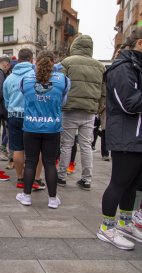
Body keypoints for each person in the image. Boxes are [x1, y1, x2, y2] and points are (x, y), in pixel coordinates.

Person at [97, 29, 142, 250]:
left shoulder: (135, 66)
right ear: (140, 44)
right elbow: (130, 104)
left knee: (132, 185)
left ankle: (125, 224)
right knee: (119, 183)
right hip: (126, 135)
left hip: (136, 135)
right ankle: (106, 228)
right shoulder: (123, 69)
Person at [15, 51, 70, 209]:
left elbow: (25, 96)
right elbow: (63, 102)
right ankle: (53, 200)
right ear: (53, 62)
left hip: (31, 126)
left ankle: (26, 197)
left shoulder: (25, 79)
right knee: (50, 163)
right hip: (52, 127)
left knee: (30, 161)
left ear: (35, 62)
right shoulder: (64, 80)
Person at [57, 35, 105, 191]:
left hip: (70, 110)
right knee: (86, 145)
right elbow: (103, 92)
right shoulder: (100, 66)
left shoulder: (67, 62)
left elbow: (60, 85)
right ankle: (86, 179)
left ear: (75, 46)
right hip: (90, 111)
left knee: (66, 144)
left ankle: (62, 177)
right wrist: (98, 108)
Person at [4, 48, 42, 190]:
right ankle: (36, 180)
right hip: (32, 116)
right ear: (31, 60)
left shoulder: (9, 78)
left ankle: (20, 179)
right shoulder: (36, 75)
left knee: (18, 149)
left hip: (14, 116)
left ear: (18, 60)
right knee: (36, 150)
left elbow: (6, 99)